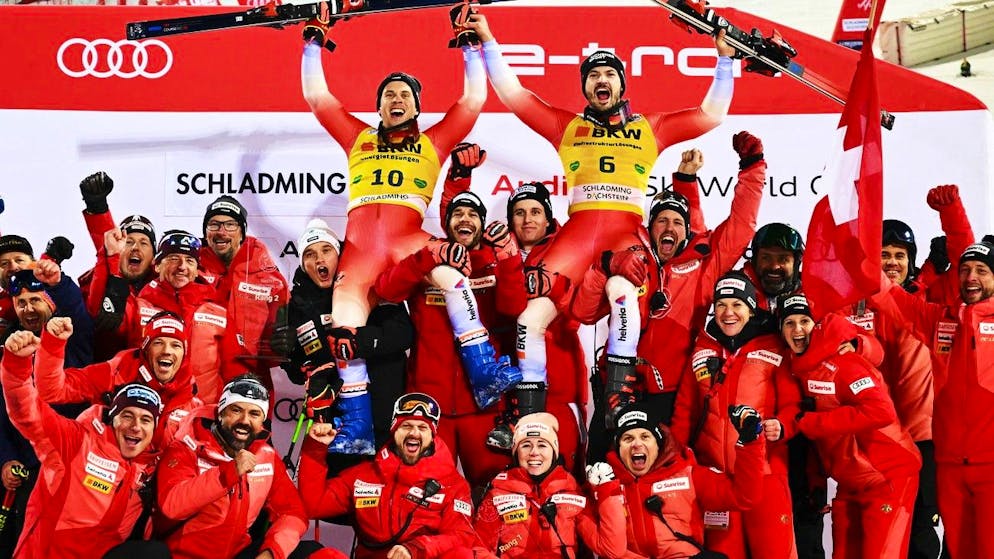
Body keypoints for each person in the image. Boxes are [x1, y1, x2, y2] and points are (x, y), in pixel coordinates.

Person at [464, 13, 736, 417]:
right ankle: (527, 413)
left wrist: (725, 60)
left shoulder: (650, 128)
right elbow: (513, 94)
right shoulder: (567, 126)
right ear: (586, 87)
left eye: (609, 74)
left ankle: (618, 398)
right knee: (529, 318)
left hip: (623, 235)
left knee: (623, 294)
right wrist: (487, 38)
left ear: (622, 85)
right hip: (577, 238)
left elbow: (711, 114)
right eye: (593, 76)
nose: (601, 80)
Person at [300, 13, 519, 455]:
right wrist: (313, 42)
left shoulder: (433, 142)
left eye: (405, 95)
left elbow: (474, 99)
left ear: (417, 108)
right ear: (379, 108)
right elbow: (317, 97)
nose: (396, 99)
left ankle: (484, 373)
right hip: (360, 252)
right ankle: (356, 429)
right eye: (388, 95)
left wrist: (469, 43)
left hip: (407, 242)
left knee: (454, 279)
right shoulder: (358, 138)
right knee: (343, 332)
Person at [374, 155, 526, 490]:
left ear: (481, 225)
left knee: (492, 490)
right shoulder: (428, 257)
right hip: (431, 405)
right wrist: (427, 258)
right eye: (458, 214)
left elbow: (514, 308)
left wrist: (509, 259)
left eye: (472, 214)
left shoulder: (491, 261)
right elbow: (385, 289)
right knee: (428, 492)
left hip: (482, 406)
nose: (465, 219)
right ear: (447, 224)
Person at [870, 239, 994, 558]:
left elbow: (962, 244)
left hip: (974, 460)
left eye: (982, 270)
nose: (971, 277)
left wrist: (950, 219)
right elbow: (887, 295)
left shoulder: (950, 307)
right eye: (965, 269)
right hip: (942, 460)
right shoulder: (939, 319)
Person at [2, 328, 166, 558]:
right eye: (127, 416)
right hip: (49, 553)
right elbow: (27, 413)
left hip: (102, 553)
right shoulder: (75, 441)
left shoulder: (149, 464)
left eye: (146, 419)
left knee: (155, 552)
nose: (136, 426)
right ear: (112, 419)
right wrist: (17, 366)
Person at [778, 295, 920, 559]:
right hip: (849, 480)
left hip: (887, 476)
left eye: (804, 321)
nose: (797, 329)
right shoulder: (798, 366)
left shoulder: (845, 362)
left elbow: (881, 411)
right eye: (789, 323)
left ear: (817, 326)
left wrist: (812, 423)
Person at [670, 270, 800, 559]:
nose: (728, 313)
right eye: (721, 305)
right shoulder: (702, 348)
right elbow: (685, 410)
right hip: (716, 479)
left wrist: (782, 425)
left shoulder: (774, 346)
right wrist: (678, 458)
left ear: (751, 309)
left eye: (737, 304)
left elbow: (794, 404)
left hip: (765, 474)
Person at [274, 218, 412, 470]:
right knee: (338, 491)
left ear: (338, 254)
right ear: (303, 264)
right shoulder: (297, 305)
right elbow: (298, 370)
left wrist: (358, 341)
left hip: (385, 411)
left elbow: (403, 334)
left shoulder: (370, 281)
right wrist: (291, 357)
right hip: (337, 425)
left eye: (326, 250)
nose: (319, 259)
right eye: (309, 254)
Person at [157, 374, 337, 559]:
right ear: (221, 413)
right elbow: (172, 505)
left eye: (254, 414)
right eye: (236, 410)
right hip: (184, 555)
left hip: (237, 553)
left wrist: (271, 552)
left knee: (321, 554)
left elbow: (293, 513)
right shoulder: (186, 446)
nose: (244, 421)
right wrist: (228, 472)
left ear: (262, 421)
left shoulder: (265, 456)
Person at [298, 392, 479, 558]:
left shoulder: (453, 485)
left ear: (432, 436)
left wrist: (416, 548)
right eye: (406, 426)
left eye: (423, 428)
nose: (414, 433)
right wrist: (315, 449)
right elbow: (314, 505)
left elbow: (462, 536)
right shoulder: (363, 476)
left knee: (463, 556)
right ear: (394, 431)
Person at [488, 182, 587, 475]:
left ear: (547, 217)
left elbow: (581, 307)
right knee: (513, 479)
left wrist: (556, 287)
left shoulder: (569, 248)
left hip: (560, 382)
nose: (527, 219)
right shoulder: (493, 253)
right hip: (508, 389)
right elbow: (504, 310)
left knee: (565, 475)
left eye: (535, 211)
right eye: (519, 213)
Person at [605, 401, 768, 557]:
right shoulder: (605, 485)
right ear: (618, 448)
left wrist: (750, 442)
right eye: (628, 439)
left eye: (645, 436)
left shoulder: (688, 475)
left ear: (658, 444)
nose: (636, 444)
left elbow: (744, 496)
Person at [32, 313, 199, 446]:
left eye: (176, 345)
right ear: (146, 349)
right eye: (158, 343)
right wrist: (53, 342)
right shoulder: (115, 373)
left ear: (184, 354)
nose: (167, 351)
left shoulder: (192, 400)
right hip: (104, 471)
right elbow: (51, 390)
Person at [474, 412, 627, 558]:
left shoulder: (572, 492)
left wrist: (607, 489)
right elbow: (479, 549)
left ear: (554, 452)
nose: (534, 452)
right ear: (516, 453)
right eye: (526, 445)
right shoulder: (497, 494)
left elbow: (612, 549)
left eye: (542, 445)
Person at [196, 195, 289, 400]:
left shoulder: (269, 278)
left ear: (242, 232)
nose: (221, 232)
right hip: (199, 386)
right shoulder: (189, 270)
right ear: (205, 232)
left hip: (251, 386)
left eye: (230, 225)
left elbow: (278, 347)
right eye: (214, 224)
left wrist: (283, 343)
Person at [74, 171, 158, 361]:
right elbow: (107, 251)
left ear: (154, 257)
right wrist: (98, 209)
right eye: (128, 242)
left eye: (144, 243)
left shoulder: (165, 288)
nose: (135, 247)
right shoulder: (97, 281)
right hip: (102, 372)